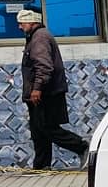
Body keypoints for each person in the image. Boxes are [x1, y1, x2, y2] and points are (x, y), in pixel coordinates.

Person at [17, 9, 89, 170]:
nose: (20, 27)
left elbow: (44, 66)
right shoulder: (36, 36)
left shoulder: (39, 37)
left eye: (22, 23)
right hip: (43, 93)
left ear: (32, 22)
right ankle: (41, 167)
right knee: (38, 132)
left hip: (46, 94)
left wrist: (37, 89)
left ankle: (82, 147)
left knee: (48, 128)